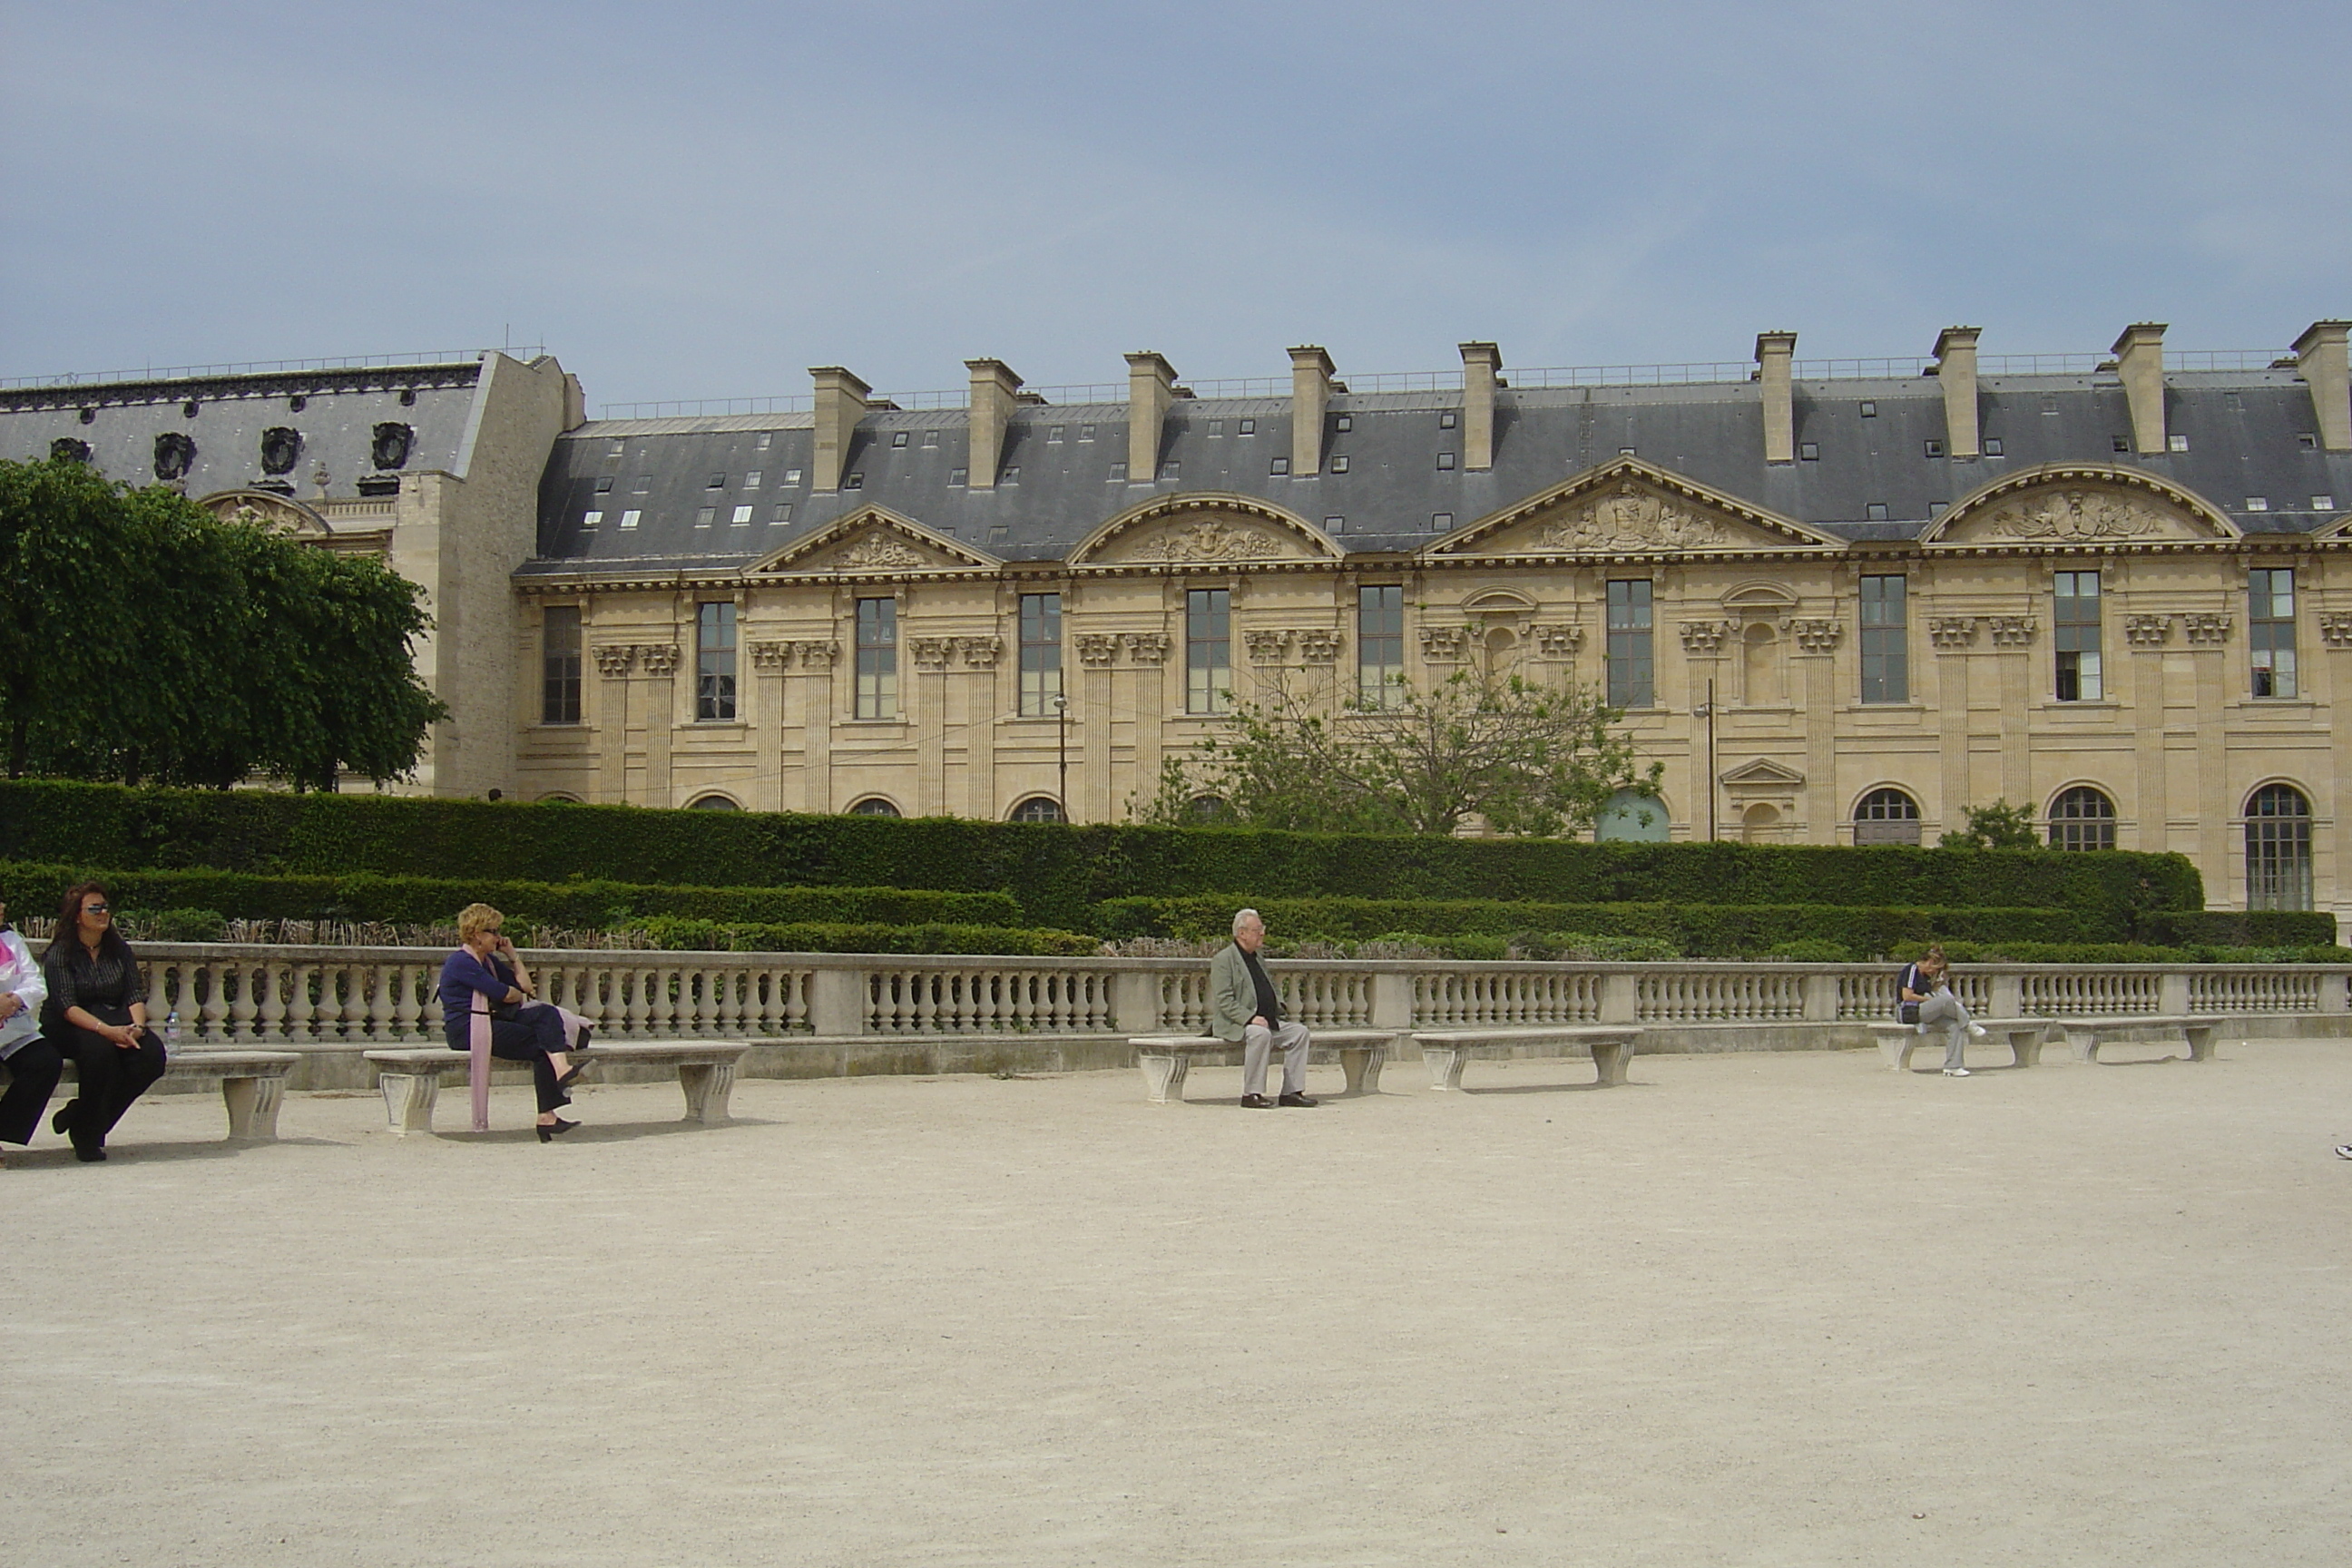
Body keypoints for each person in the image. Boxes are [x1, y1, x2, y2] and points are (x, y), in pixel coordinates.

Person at [438, 903, 589, 1141]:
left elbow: (526, 988)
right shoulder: (460, 962)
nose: (499, 937)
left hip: (491, 1020)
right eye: (494, 931)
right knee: (542, 1045)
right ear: (477, 934)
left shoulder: (488, 961)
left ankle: (557, 1085)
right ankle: (548, 1112)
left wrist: (513, 956)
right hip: (467, 1029)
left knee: (546, 1014)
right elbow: (507, 994)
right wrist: (512, 993)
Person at [40, 882, 168, 1161]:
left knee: (150, 1056)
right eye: (94, 908)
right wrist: (107, 1032)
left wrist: (136, 1027)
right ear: (77, 915)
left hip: (114, 1018)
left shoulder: (119, 950)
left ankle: (81, 1117)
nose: (102, 914)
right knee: (100, 1054)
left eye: (105, 907)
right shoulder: (60, 953)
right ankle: (88, 1137)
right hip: (69, 1025)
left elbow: (134, 994)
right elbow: (66, 1006)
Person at [1210, 907, 1317, 1109]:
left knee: (1300, 1032)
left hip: (1268, 1020)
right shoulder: (1223, 960)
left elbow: (1271, 985)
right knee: (1260, 1034)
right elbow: (1224, 1000)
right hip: (1238, 1024)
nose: (1262, 933)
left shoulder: (1258, 957)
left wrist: (1278, 1004)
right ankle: (1251, 1094)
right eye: (1257, 929)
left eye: (1262, 928)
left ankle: (1291, 1092)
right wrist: (1250, 1018)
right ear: (1242, 933)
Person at [0, 887, 63, 1161]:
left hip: (14, 1030)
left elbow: (36, 983)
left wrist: (14, 1001)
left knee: (46, 1062)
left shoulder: (12, 939)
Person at [1897, 944, 1988, 1077]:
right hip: (1908, 1011)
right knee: (1947, 1000)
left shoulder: (1927, 977)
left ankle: (1953, 1066)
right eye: (1935, 968)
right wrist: (1932, 1002)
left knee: (1954, 1026)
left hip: (1923, 1012)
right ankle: (1968, 1023)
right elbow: (1907, 996)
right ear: (1929, 962)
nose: (1934, 971)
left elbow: (1934, 993)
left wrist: (1939, 981)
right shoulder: (1912, 970)